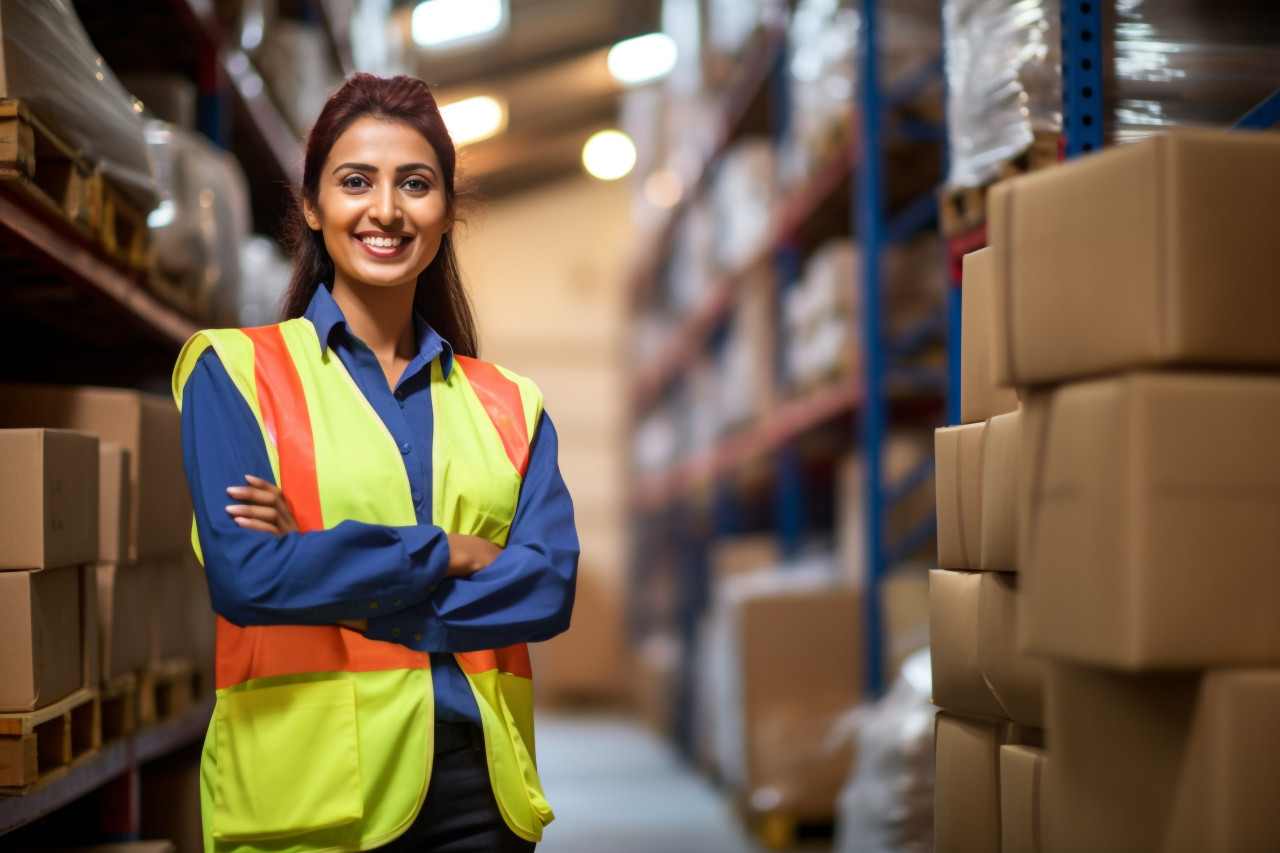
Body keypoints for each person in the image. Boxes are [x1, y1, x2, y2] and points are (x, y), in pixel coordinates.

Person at [173, 73, 578, 853]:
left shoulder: (509, 403)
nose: (386, 210)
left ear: (447, 211)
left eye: (415, 184)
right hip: (304, 802)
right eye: (356, 181)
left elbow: (546, 586)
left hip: (478, 796)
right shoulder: (234, 374)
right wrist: (448, 552)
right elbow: (249, 576)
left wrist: (337, 581)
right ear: (312, 207)